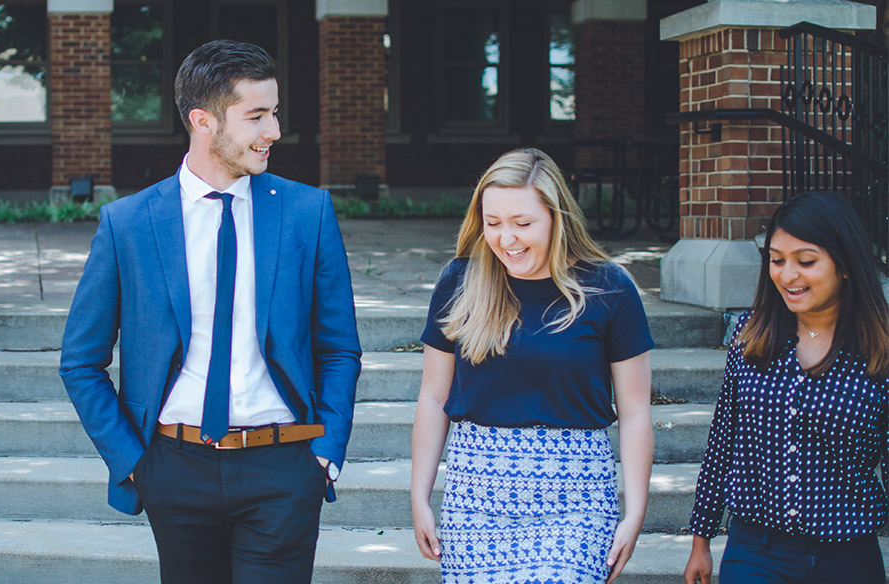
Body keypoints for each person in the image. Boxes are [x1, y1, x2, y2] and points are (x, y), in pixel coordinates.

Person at [59, 39, 361, 584]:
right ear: (203, 120)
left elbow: (338, 346)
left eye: (274, 113)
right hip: (175, 465)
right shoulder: (128, 223)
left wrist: (325, 452)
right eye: (257, 116)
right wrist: (135, 461)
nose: (274, 130)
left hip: (285, 462)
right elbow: (80, 361)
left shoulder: (306, 212)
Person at [410, 148, 654, 584]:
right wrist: (419, 496)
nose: (507, 238)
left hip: (577, 496)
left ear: (557, 218)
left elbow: (635, 413)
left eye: (523, 223)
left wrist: (634, 512)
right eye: (493, 223)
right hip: (478, 490)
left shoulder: (608, 288)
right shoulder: (461, 281)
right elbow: (433, 396)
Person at [684, 191, 889, 584]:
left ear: (845, 264)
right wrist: (701, 541)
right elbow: (723, 441)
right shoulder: (750, 334)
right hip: (756, 552)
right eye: (777, 260)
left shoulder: (877, 349)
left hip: (848, 554)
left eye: (805, 261)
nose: (787, 275)